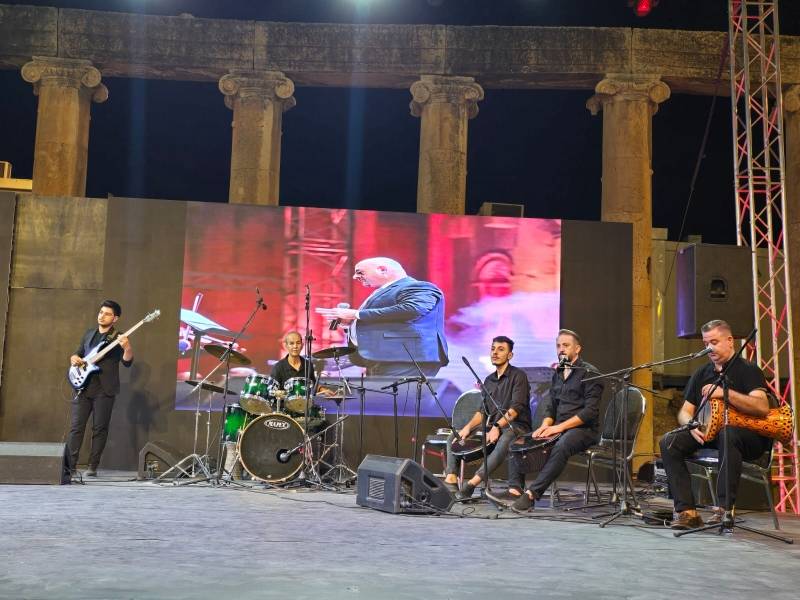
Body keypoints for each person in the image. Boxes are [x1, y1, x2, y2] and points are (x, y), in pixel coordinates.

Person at [659, 319, 773, 530]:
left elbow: (762, 406)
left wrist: (725, 393)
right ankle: (687, 512)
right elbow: (685, 411)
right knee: (669, 441)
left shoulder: (748, 370)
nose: (709, 348)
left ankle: (724, 509)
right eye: (705, 344)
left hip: (747, 437)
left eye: (714, 342)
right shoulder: (702, 373)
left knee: (727, 433)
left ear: (730, 341)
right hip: (710, 431)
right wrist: (691, 424)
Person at [510, 329, 603, 512]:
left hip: (584, 430)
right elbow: (551, 405)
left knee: (562, 445)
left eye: (566, 345)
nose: (561, 349)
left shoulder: (590, 373)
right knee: (519, 441)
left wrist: (558, 428)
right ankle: (514, 490)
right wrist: (545, 425)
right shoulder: (558, 372)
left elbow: (590, 412)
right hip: (559, 428)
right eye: (558, 346)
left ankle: (532, 494)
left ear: (577, 349)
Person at [315, 257, 448, 377]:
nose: (355, 277)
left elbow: (413, 309)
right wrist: (351, 323)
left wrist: (356, 314)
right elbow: (387, 320)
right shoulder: (384, 291)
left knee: (395, 397)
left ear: (383, 270)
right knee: (380, 396)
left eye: (360, 272)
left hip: (406, 358)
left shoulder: (418, 286)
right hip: (384, 359)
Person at [443, 336, 531, 500]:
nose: (495, 353)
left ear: (510, 355)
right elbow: (482, 412)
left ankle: (471, 484)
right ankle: (451, 479)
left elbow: (516, 409)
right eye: (493, 349)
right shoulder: (489, 380)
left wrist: (497, 427)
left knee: (506, 438)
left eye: (500, 349)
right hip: (493, 427)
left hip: (516, 427)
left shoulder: (519, 376)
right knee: (454, 436)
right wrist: (467, 428)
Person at [67, 300, 133, 477]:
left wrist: (127, 348)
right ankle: (70, 466)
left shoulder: (119, 337)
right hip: (84, 386)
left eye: (107, 314)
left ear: (115, 318)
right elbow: (79, 353)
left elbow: (127, 362)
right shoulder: (89, 333)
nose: (102, 316)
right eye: (101, 312)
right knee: (76, 427)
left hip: (105, 389)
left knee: (99, 429)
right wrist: (74, 358)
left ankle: (92, 466)